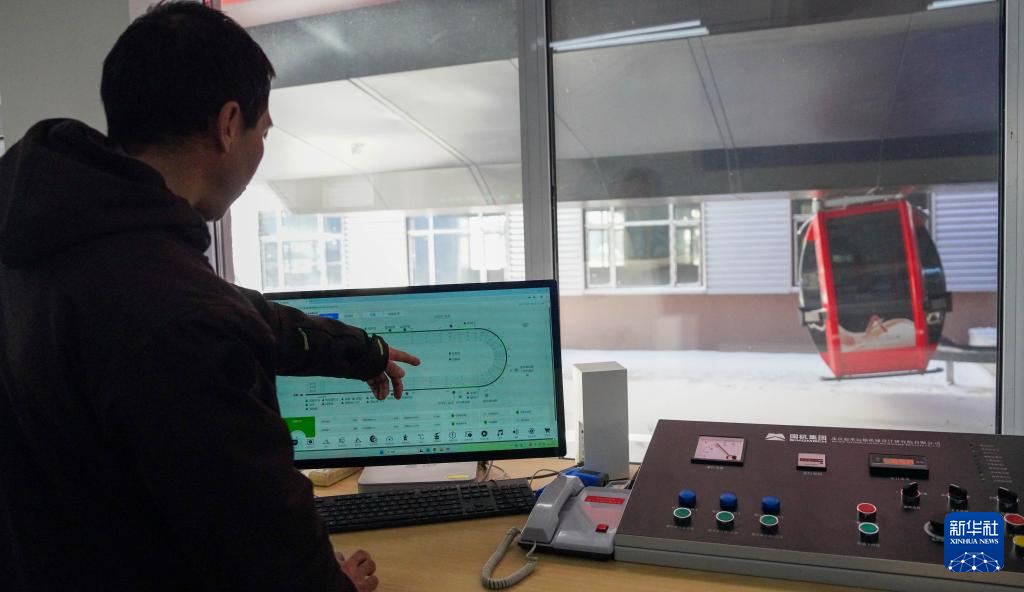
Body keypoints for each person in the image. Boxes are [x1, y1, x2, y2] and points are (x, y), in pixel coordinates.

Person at [0, 2, 419, 590]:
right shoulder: (180, 313)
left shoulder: (52, 242)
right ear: (228, 124)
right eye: (262, 132)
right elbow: (268, 550)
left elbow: (242, 312)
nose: (260, 149)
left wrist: (358, 352)